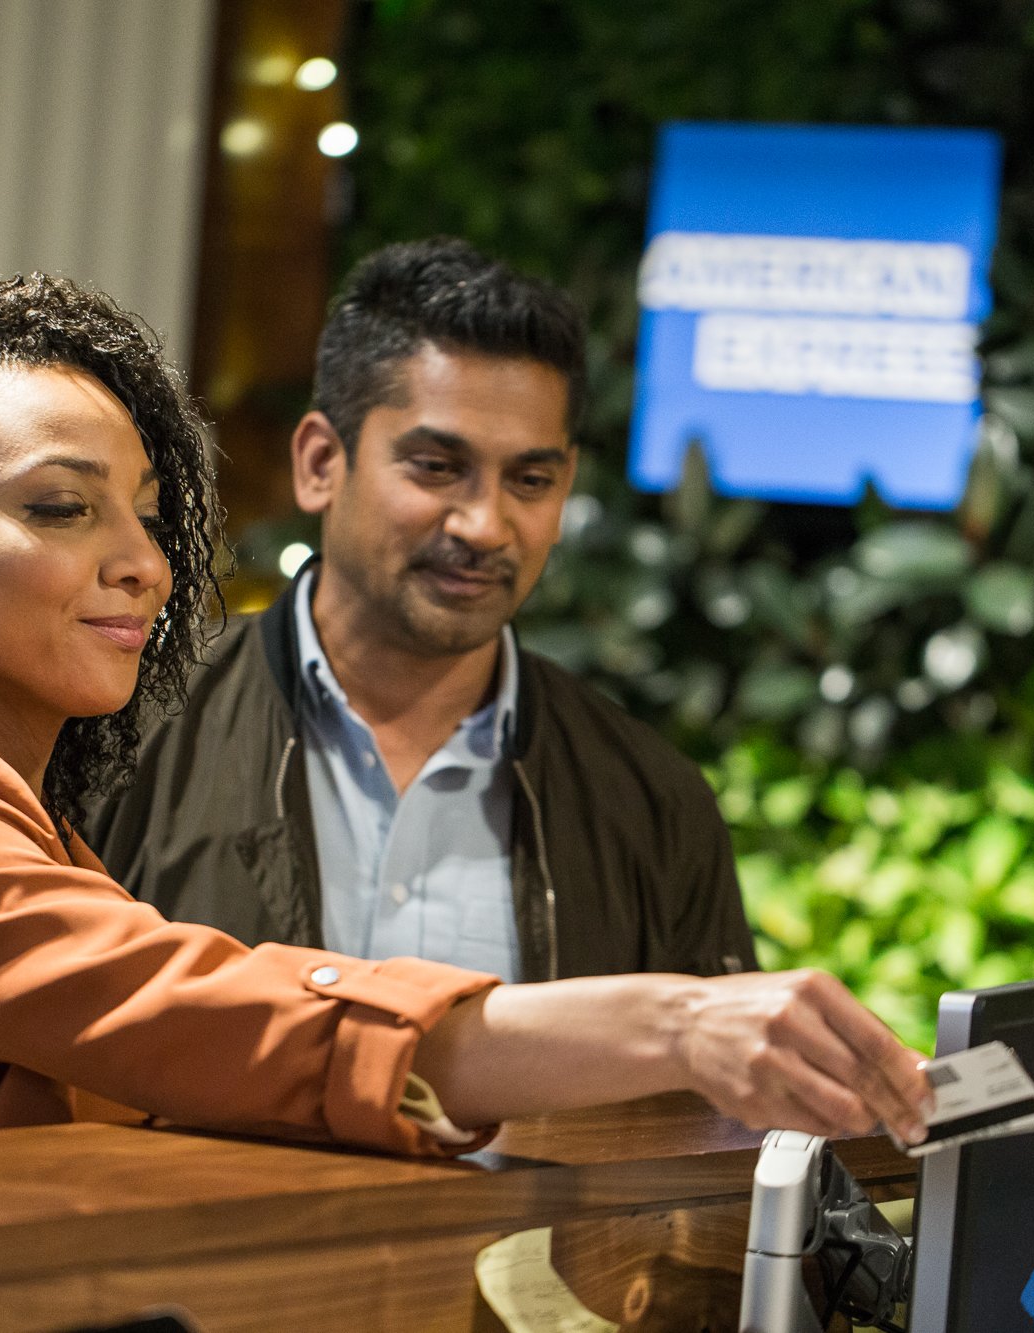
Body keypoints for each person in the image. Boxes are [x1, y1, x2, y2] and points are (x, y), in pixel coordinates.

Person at [0, 272, 931, 1156]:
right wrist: (671, 1017)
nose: (143, 563)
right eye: (58, 507)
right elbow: (195, 1009)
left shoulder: (644, 789)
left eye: (145, 512)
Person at [90, 238, 754, 983]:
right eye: (438, 467)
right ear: (318, 463)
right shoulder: (122, 731)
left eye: (531, 480)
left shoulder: (651, 804)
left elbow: (698, 1094)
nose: (484, 525)